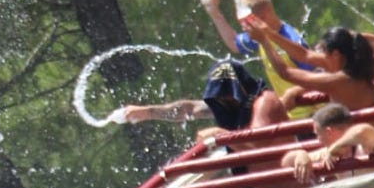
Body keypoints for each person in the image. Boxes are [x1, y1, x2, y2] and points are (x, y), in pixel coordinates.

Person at [200, 0, 316, 121]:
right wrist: (214, 11)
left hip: (312, 115)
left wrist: (294, 92)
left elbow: (316, 74)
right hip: (291, 117)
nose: (243, 27)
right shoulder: (260, 36)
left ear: (263, 16)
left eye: (245, 22)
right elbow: (233, 43)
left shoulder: (290, 39)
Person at [248, 24, 374, 115]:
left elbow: (286, 73)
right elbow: (304, 54)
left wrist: (264, 42)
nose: (317, 55)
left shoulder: (340, 79)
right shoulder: (358, 66)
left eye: (322, 50)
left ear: (335, 54)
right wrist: (269, 33)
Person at [114, 58, 270, 133]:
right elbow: (189, 110)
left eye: (226, 93)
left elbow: (259, 136)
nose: (221, 99)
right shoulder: (224, 107)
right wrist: (147, 112)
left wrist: (221, 134)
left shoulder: (263, 102)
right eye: (218, 95)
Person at [279, 102, 374, 185]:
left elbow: (362, 131)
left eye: (318, 134)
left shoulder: (366, 143)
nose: (318, 140)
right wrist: (301, 155)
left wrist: (334, 147)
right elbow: (286, 162)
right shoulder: (327, 153)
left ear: (329, 132)